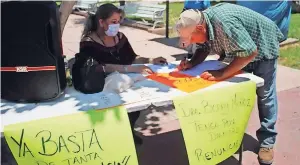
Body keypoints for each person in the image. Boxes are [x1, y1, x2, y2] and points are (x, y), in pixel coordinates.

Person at [175, 3, 284, 165]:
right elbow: (204, 46)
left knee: (265, 96)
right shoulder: (203, 23)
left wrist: (222, 73)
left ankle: (267, 142)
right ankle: (229, 136)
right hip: (244, 50)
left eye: (191, 38)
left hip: (263, 47)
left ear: (199, 28)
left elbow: (250, 52)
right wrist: (192, 63)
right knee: (236, 92)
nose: (190, 42)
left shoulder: (224, 23)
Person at [72, 3, 167, 145]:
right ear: (101, 22)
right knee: (111, 112)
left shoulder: (120, 37)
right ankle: (112, 137)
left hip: (124, 83)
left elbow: (131, 58)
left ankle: (128, 131)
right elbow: (98, 68)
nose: (117, 25)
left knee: (137, 105)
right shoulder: (88, 42)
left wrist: (151, 60)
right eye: (114, 22)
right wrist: (130, 69)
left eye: (119, 21)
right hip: (100, 86)